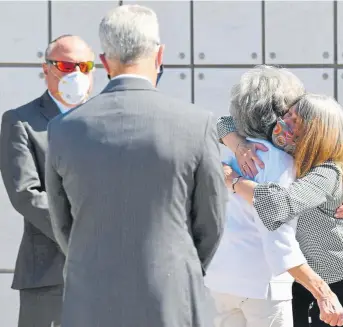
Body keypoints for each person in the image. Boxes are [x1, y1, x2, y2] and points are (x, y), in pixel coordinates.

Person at [44, 5, 226, 327]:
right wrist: (180, 267)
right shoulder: (197, 124)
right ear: (159, 55)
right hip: (171, 296)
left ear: (103, 62)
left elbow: (62, 223)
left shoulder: (63, 128)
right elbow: (211, 221)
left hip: (90, 296)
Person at [205, 66, 343, 327]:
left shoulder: (228, 149)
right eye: (290, 113)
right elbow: (277, 237)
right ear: (279, 110)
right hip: (260, 285)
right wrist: (323, 292)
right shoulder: (279, 161)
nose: (290, 122)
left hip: (220, 280)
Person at [224, 93, 343, 327]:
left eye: (295, 120)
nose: (284, 123)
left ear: (315, 131)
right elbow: (224, 123)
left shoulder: (327, 172)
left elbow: (277, 206)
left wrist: (233, 179)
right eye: (287, 114)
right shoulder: (286, 145)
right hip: (303, 280)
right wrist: (239, 146)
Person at [0, 34, 94, 327]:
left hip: (107, 273)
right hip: (50, 275)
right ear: (47, 69)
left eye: (85, 65)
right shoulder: (21, 121)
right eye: (67, 66)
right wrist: (82, 235)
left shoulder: (108, 118)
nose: (77, 74)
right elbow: (26, 194)